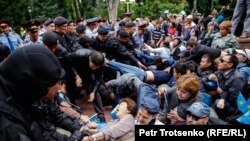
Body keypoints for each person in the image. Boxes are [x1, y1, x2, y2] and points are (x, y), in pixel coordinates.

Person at [0, 45, 69, 140]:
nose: (59, 88)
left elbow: (43, 128)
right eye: (56, 84)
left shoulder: (24, 91)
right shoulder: (10, 128)